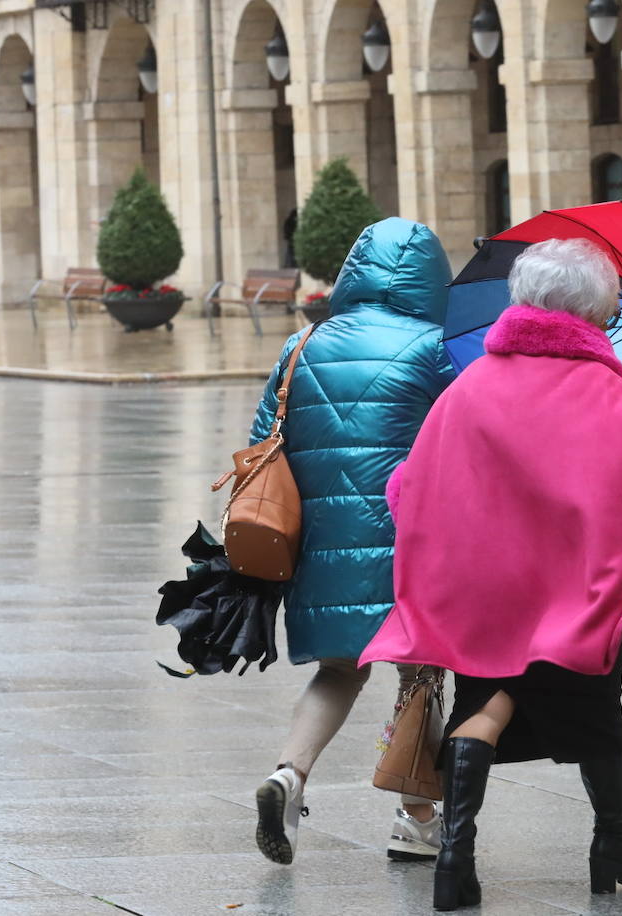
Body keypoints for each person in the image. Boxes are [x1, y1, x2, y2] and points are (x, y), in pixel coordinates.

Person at [358, 238, 622, 911]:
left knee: (485, 705)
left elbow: (410, 486)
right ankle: (612, 843)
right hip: (572, 587)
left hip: (483, 590)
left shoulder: (473, 383)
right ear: (597, 307)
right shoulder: (607, 389)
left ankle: (455, 856)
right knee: (597, 709)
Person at [250, 217, 457, 866]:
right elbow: (465, 435)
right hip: (411, 537)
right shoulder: (437, 346)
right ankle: (416, 816)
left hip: (320, 542)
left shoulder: (301, 345)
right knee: (420, 669)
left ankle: (290, 772)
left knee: (339, 668)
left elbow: (263, 437)